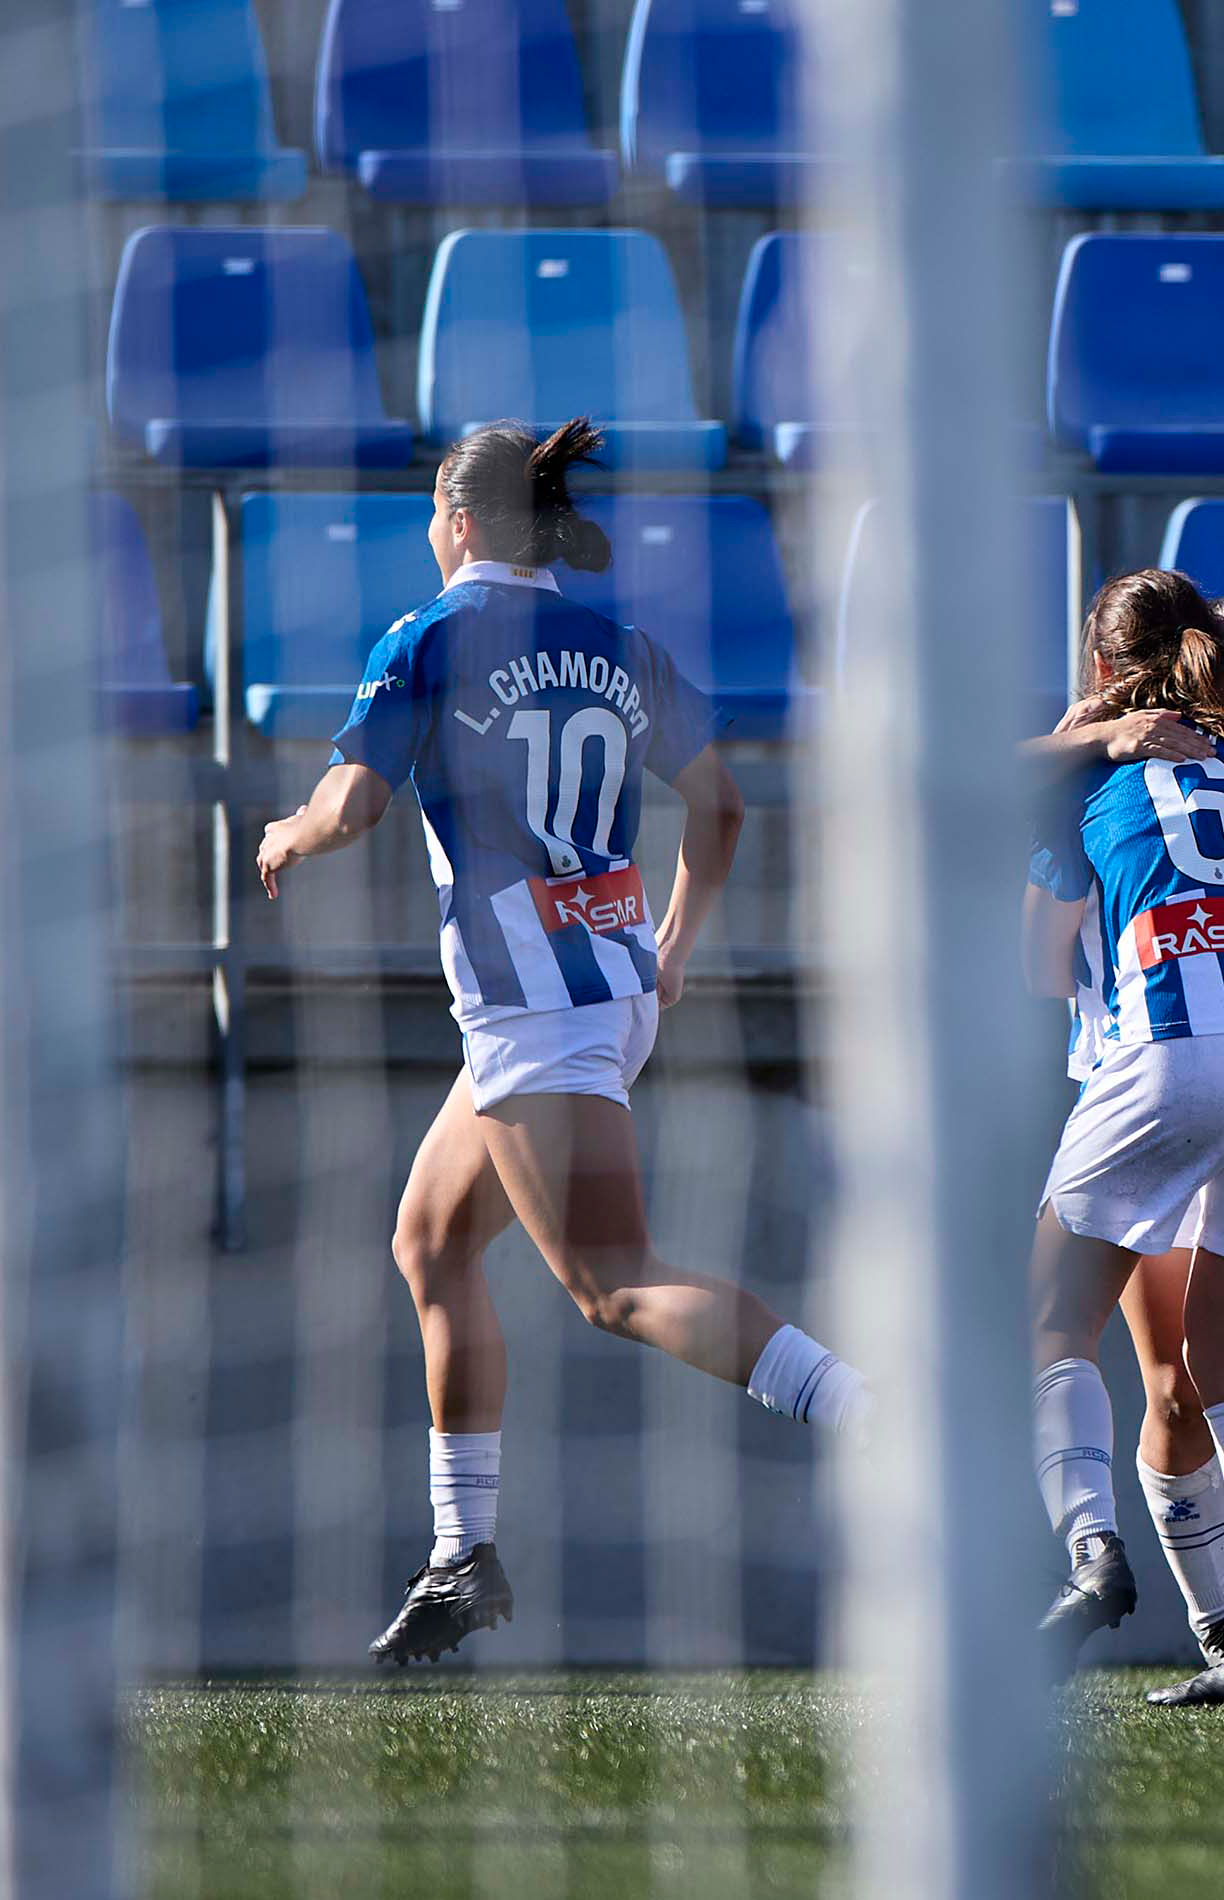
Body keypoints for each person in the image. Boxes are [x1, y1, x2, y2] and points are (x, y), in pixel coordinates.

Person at [255, 419, 865, 1668]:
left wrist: (285, 832)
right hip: (597, 980)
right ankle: (460, 1555)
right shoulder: (618, 645)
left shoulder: (426, 636)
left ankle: (878, 1416)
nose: (430, 534)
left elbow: (354, 802)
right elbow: (723, 804)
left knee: (613, 1284)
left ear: (460, 520)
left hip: (541, 1007)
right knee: (429, 1239)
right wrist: (679, 945)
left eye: (434, 516)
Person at [1021, 570, 1224, 1707]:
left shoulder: (1084, 764)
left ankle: (1092, 1551)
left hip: (1173, 1046)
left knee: (1053, 1319)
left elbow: (1033, 956)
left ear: (1107, 668)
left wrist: (1088, 732)